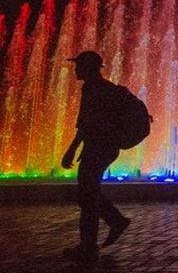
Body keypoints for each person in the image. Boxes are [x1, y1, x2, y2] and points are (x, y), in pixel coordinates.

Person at [61, 51, 131, 264]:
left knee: (86, 195)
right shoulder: (103, 88)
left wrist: (72, 149)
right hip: (104, 147)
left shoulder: (93, 88)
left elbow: (85, 123)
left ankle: (89, 247)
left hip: (99, 147)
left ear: (88, 67)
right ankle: (114, 222)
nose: (75, 69)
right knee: (87, 192)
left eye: (79, 65)